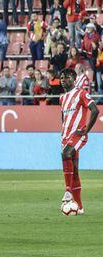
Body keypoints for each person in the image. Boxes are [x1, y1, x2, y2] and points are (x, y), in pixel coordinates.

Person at [58, 68, 99, 215]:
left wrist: (86, 130)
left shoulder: (81, 93)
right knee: (74, 171)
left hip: (78, 134)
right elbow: (63, 117)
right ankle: (80, 207)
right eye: (61, 77)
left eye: (66, 77)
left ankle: (68, 190)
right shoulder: (62, 98)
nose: (63, 80)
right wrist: (62, 132)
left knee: (66, 153)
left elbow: (95, 110)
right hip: (66, 136)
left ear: (74, 79)